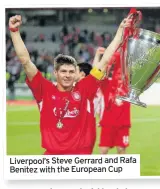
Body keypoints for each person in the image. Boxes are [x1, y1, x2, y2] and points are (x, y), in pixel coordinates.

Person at [8, 14, 132, 155]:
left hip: (81, 160)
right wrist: (14, 32)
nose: (67, 75)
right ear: (55, 73)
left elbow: (104, 62)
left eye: (71, 72)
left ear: (76, 74)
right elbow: (25, 60)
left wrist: (120, 31)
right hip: (53, 160)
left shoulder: (85, 88)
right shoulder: (44, 90)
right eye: (63, 71)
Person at [98, 59, 131, 155]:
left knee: (121, 150)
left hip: (123, 125)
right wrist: (105, 64)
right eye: (118, 74)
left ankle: (121, 169)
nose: (120, 77)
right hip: (108, 124)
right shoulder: (107, 86)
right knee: (103, 150)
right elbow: (98, 74)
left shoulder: (129, 89)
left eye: (122, 75)